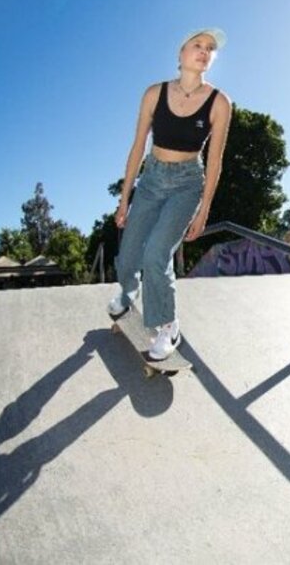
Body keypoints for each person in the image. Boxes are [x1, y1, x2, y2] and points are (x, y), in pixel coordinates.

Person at [107, 28, 232, 360]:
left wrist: (204, 209)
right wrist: (124, 200)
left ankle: (167, 325)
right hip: (151, 179)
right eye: (197, 45)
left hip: (188, 183)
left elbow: (216, 159)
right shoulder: (154, 93)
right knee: (131, 252)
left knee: (157, 253)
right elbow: (137, 148)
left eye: (210, 49)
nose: (204, 51)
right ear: (180, 54)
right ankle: (128, 291)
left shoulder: (220, 103)